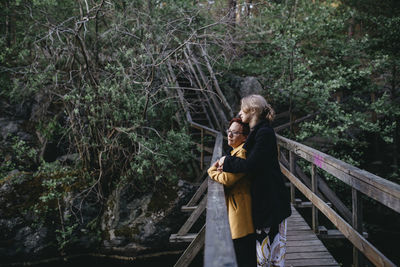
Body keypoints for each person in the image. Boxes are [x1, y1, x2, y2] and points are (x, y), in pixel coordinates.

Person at [218, 94, 291, 267]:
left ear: (252, 110)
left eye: (242, 109)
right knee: (264, 256)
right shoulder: (258, 132)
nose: (240, 113)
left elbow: (251, 164)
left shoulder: (264, 133)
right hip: (265, 202)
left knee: (270, 258)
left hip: (271, 203)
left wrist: (225, 161)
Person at [208, 117, 256, 267]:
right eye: (229, 132)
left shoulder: (241, 153)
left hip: (241, 211)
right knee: (242, 252)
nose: (229, 135)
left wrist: (212, 171)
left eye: (235, 133)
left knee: (242, 253)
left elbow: (228, 179)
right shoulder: (234, 151)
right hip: (238, 207)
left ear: (244, 137)